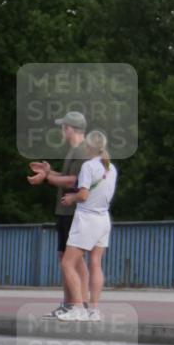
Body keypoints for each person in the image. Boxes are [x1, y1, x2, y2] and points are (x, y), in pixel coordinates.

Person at [26, 111, 90, 318]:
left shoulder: (82, 151)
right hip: (65, 211)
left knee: (73, 260)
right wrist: (48, 172)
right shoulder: (74, 151)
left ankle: (79, 305)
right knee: (66, 257)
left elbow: (73, 181)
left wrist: (46, 178)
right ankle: (70, 304)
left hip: (73, 212)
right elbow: (66, 176)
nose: (62, 130)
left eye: (63, 127)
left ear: (69, 128)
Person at [56, 131, 118, 321]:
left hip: (87, 218)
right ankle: (94, 310)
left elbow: (83, 195)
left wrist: (71, 198)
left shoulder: (88, 166)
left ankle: (78, 308)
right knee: (96, 263)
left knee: (67, 263)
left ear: (88, 147)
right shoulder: (111, 168)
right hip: (103, 219)